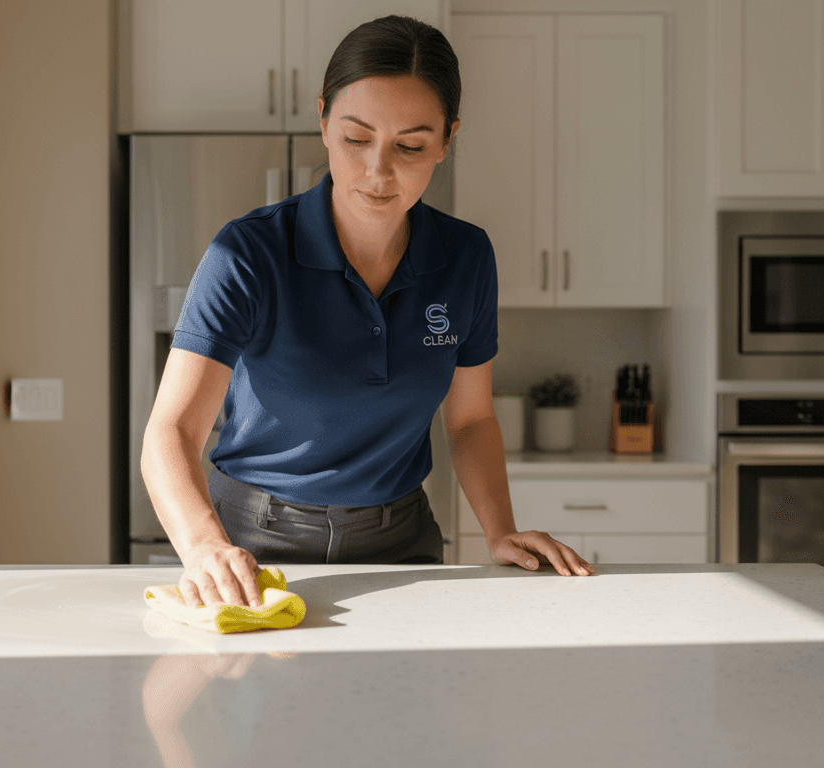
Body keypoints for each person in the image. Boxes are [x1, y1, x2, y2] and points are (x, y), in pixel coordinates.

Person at [141, 15, 593, 611]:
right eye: (357, 139)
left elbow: (470, 420)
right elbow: (171, 431)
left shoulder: (466, 257)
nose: (379, 171)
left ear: (447, 140)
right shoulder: (247, 253)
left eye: (411, 146)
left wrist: (500, 529)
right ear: (324, 120)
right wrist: (204, 546)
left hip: (401, 543)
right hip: (252, 541)